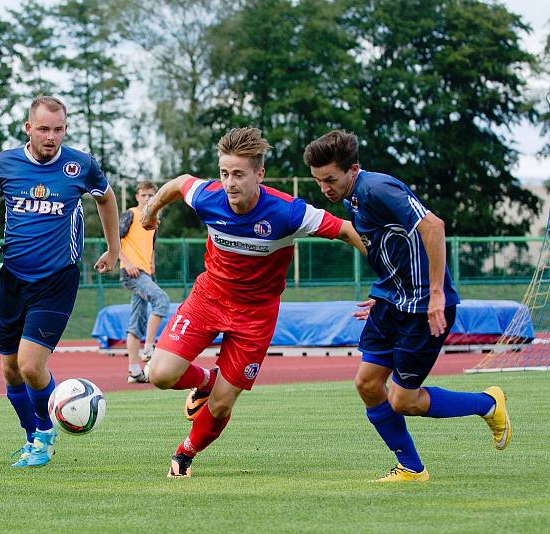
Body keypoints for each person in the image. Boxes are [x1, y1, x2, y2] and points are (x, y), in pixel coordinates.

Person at [140, 127, 366, 477]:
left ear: (259, 174)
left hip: (256, 317)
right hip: (208, 299)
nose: (230, 182)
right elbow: (179, 183)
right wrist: (152, 211)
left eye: (239, 174)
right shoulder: (208, 196)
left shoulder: (288, 213)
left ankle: (184, 454)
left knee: (222, 402)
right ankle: (204, 379)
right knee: (159, 374)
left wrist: (390, 276)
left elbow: (348, 231)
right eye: (224, 173)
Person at [304, 129, 512, 482]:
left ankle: (488, 404)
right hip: (391, 303)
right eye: (319, 181)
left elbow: (433, 227)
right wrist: (383, 290)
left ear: (353, 169)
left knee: (403, 400)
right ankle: (412, 468)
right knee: (368, 384)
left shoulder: (378, 188)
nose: (325, 188)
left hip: (422, 309)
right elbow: (393, 246)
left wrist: (435, 294)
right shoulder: (351, 199)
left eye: (330, 179)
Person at [0, 96, 120, 468]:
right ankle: (32, 436)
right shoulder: (5, 163)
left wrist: (114, 248)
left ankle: (45, 437)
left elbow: (106, 198)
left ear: (65, 129)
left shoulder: (80, 165)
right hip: (14, 278)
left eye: (58, 129)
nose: (51, 137)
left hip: (57, 279)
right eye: (44, 129)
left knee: (31, 366)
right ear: (28, 128)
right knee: (9, 370)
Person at [119, 181, 171, 383]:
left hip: (146, 273)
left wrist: (152, 265)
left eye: (152, 195)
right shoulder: (131, 214)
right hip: (132, 272)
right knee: (161, 300)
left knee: (136, 321)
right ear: (137, 197)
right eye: (144, 195)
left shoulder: (154, 219)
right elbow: (114, 238)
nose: (148, 199)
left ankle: (133, 370)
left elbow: (152, 245)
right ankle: (149, 347)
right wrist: (125, 262)